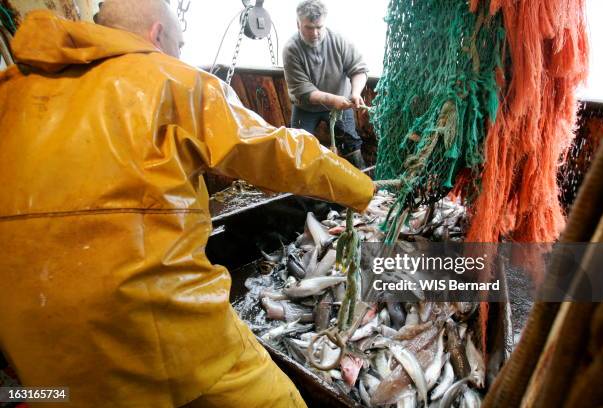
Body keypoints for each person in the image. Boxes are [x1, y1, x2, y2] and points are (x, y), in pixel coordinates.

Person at [0, 1, 374, 407]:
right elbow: (279, 151)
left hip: (37, 358)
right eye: (179, 43)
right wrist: (362, 190)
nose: (178, 53)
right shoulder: (170, 79)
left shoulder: (8, 92)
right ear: (157, 35)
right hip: (162, 329)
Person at [283, 0, 369, 169]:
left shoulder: (339, 40)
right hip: (305, 108)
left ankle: (366, 186)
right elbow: (303, 91)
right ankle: (304, 192)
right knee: (298, 148)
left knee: (351, 143)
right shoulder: (291, 49)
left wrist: (356, 93)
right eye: (309, 28)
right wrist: (333, 99)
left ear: (325, 23)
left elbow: (359, 69)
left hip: (341, 104)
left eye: (319, 27)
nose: (315, 33)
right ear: (298, 24)